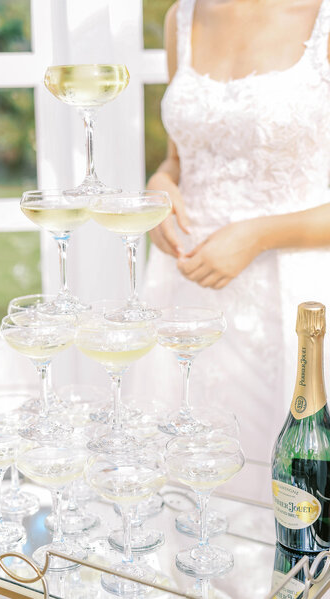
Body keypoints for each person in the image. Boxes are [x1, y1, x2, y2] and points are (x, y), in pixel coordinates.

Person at [132, 0, 330, 467]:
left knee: (284, 483)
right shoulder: (184, 17)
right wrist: (161, 185)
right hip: (183, 290)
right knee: (181, 472)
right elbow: (179, 158)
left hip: (290, 300)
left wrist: (259, 235)